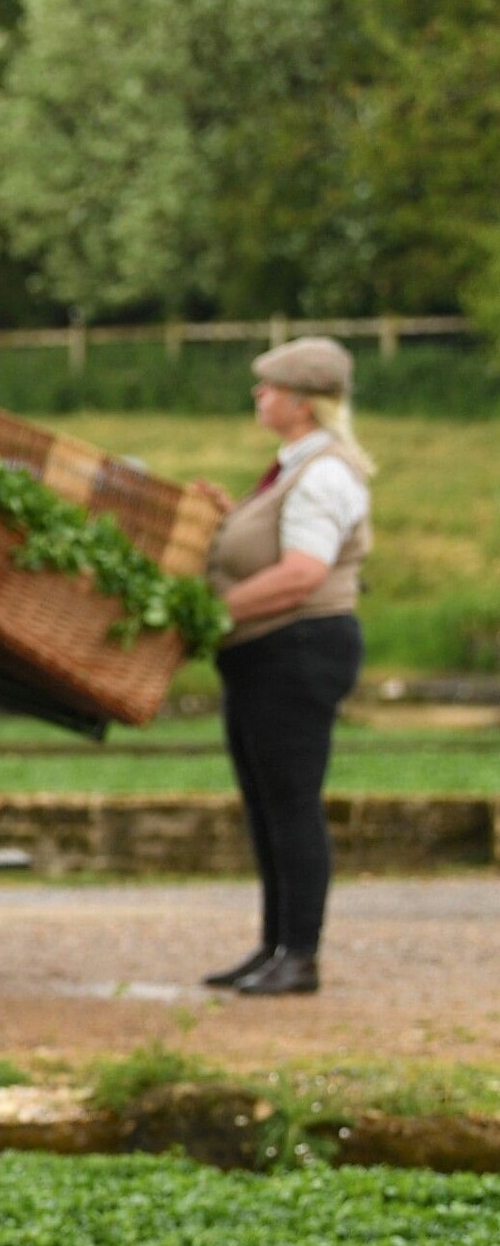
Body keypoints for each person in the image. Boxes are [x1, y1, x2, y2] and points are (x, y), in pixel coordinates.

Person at [188, 337, 375, 996]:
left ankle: (300, 954)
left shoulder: (324, 473)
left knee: (292, 804)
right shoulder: (290, 467)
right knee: (268, 804)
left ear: (301, 402)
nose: (257, 396)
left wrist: (208, 615)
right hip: (265, 654)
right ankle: (275, 946)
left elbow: (301, 574)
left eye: (267, 387)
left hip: (297, 650)